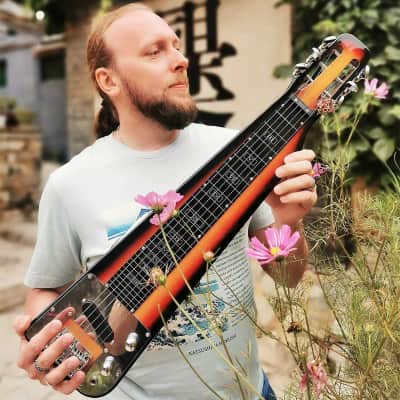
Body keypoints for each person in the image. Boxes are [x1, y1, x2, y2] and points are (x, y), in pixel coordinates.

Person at [13, 3, 317, 399]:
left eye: (176, 46)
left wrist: (288, 221)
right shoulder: (69, 185)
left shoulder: (237, 152)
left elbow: (289, 277)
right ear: (109, 80)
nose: (180, 60)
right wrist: (50, 345)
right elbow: (46, 289)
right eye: (154, 51)